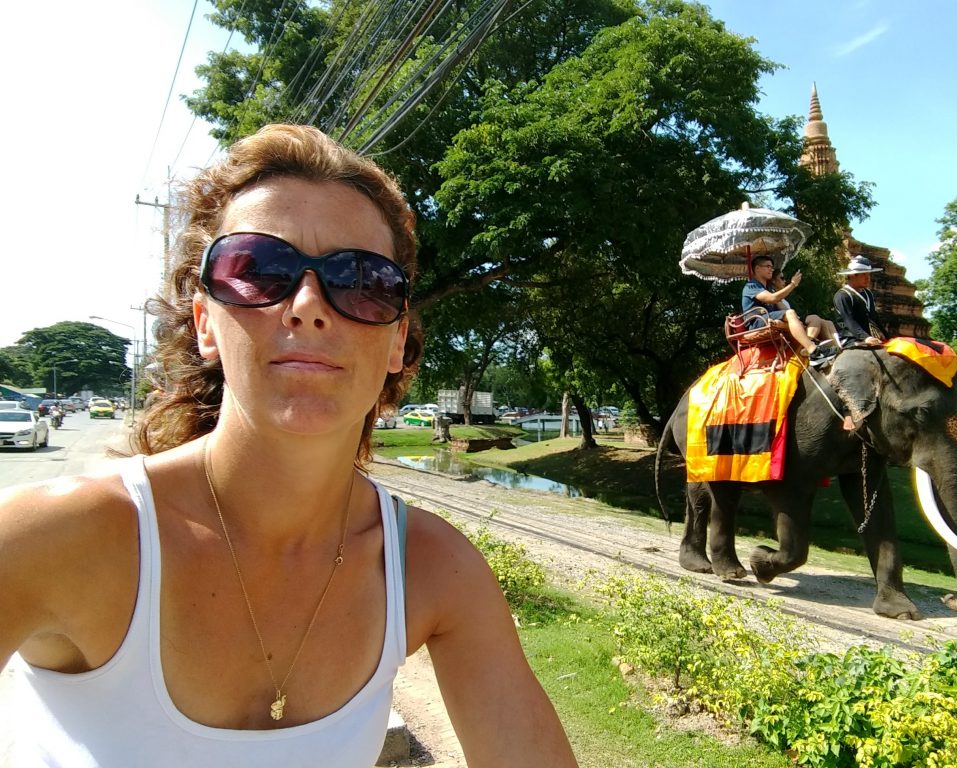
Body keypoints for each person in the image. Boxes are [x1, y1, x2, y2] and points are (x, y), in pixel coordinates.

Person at [0, 125, 577, 767]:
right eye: (257, 270)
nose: (306, 306)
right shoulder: (54, 538)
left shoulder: (434, 571)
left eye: (361, 280)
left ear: (396, 342)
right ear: (205, 325)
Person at [741, 255, 831, 363]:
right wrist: (792, 284)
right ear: (757, 269)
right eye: (768, 266)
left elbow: (781, 306)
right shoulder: (751, 286)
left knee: (814, 318)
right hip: (758, 321)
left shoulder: (768, 288)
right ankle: (813, 351)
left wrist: (796, 319)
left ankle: (808, 345)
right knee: (790, 314)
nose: (771, 269)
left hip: (770, 317)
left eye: (772, 267)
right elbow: (773, 298)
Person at [769, 268, 840, 347]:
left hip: (793, 317)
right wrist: (793, 284)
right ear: (773, 281)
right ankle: (807, 345)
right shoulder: (773, 296)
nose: (785, 281)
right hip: (789, 318)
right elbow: (785, 310)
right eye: (782, 278)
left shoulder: (782, 297)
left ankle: (837, 345)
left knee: (827, 322)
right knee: (815, 318)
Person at [834, 254, 887, 347]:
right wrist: (866, 337)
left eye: (869, 274)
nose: (868, 278)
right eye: (864, 274)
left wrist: (888, 337)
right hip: (849, 339)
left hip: (869, 337)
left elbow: (874, 317)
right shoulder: (843, 296)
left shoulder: (868, 293)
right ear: (853, 276)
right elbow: (849, 320)